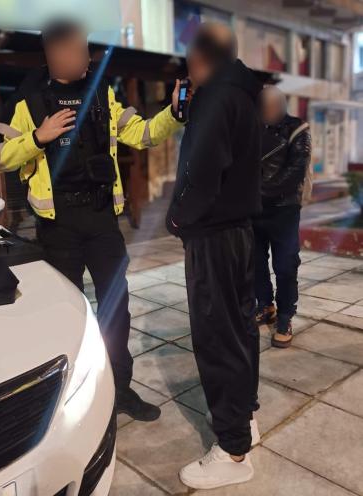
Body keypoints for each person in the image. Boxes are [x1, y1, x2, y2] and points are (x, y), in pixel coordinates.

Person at [0, 20, 185, 421]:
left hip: (101, 218)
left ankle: (120, 389)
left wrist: (174, 114)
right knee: (68, 310)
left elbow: (143, 134)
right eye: (77, 50)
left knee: (117, 308)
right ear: (54, 53)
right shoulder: (26, 99)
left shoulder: (101, 92)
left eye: (86, 49)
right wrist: (37, 138)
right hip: (58, 223)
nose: (85, 57)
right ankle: (77, 392)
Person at [166, 22, 262, 489]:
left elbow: (201, 173)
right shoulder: (243, 92)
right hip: (240, 232)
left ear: (199, 57)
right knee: (240, 330)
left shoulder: (215, 96)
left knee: (217, 339)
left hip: (214, 237)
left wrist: (177, 219)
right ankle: (243, 418)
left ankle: (233, 450)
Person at [254, 86, 312, 348]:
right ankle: (265, 306)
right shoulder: (253, 128)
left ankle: (285, 316)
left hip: (285, 209)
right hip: (254, 210)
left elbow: (295, 171)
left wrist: (258, 192)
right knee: (254, 262)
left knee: (286, 265)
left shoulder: (298, 129)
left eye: (272, 104)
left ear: (281, 104)